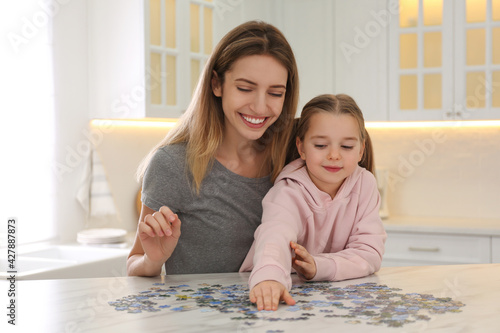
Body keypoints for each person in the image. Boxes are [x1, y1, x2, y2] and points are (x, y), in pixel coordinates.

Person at [127, 21, 299, 277]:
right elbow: (135, 263)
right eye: (245, 88)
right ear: (216, 84)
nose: (261, 107)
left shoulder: (293, 156)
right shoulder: (173, 165)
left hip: (281, 312)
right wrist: (153, 260)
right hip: (200, 317)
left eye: (275, 93)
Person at [240, 94, 387, 311]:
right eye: (320, 145)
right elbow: (274, 235)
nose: (334, 155)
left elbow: (369, 252)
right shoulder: (288, 191)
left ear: (361, 150)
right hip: (271, 287)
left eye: (346, 146)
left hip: (335, 298)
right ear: (301, 148)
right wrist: (269, 277)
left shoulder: (365, 185)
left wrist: (319, 266)